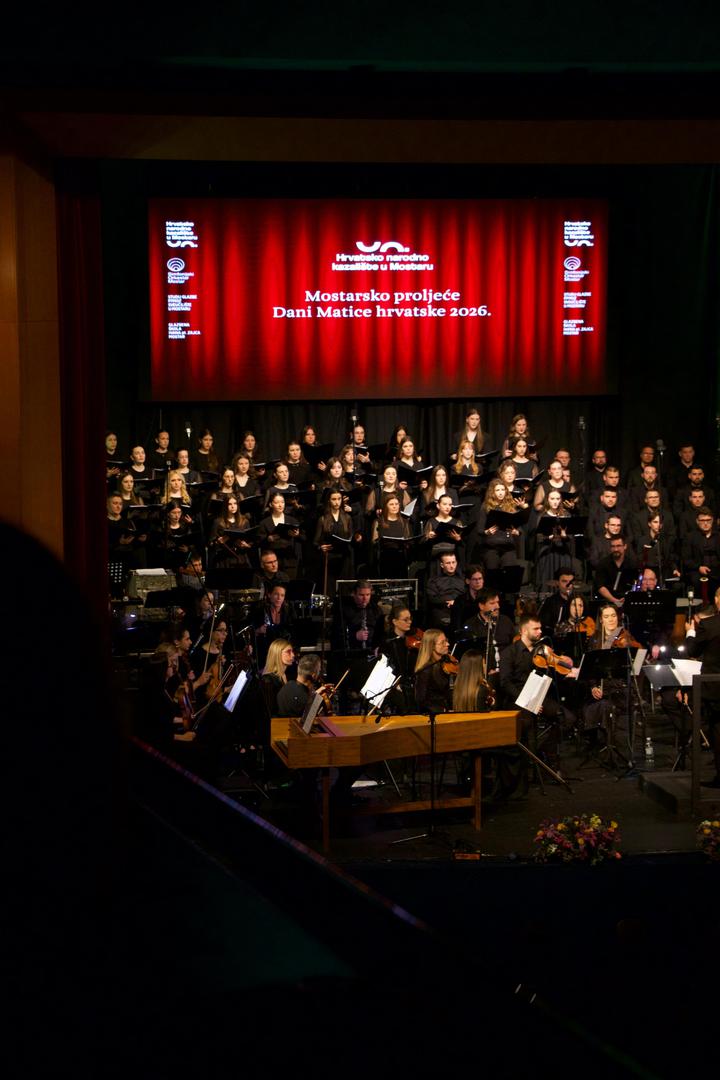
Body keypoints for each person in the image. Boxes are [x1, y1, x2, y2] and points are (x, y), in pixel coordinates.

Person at [685, 589, 720, 786]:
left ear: (716, 600)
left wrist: (691, 632)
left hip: (715, 688)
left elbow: (692, 650)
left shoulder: (709, 625)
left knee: (717, 730)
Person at [332, 579, 380, 653]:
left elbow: (382, 632)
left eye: (368, 595)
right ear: (353, 594)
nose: (365, 598)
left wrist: (378, 646)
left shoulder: (375, 609)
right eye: (361, 595)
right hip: (352, 651)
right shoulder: (343, 610)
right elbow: (336, 635)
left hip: (372, 651)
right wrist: (354, 636)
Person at [414, 628, 453, 712]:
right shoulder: (425, 671)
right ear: (431, 646)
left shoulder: (444, 663)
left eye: (446, 641)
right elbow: (421, 700)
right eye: (442, 642)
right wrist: (443, 711)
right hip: (436, 714)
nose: (447, 644)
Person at [594, 536, 638, 607]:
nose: (615, 549)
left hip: (627, 601)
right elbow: (600, 586)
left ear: (625, 546)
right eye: (613, 546)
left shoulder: (632, 564)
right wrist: (615, 601)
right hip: (607, 602)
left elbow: (635, 585)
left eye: (618, 546)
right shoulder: (603, 564)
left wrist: (627, 599)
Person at [425, 552, 465, 628]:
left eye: (453, 562)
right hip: (443, 610)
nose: (451, 566)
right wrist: (447, 602)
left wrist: (456, 602)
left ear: (456, 563)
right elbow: (432, 598)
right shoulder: (434, 580)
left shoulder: (463, 579)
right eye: (448, 563)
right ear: (442, 565)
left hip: (462, 609)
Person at [260, 638, 295, 716]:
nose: (293, 655)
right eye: (288, 652)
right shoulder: (267, 680)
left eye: (292, 651)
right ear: (277, 654)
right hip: (277, 722)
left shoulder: (287, 675)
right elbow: (270, 713)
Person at [538, 568, 576, 638]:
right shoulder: (550, 602)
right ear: (557, 583)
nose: (568, 585)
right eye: (564, 581)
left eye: (570, 582)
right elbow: (544, 625)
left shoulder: (578, 601)